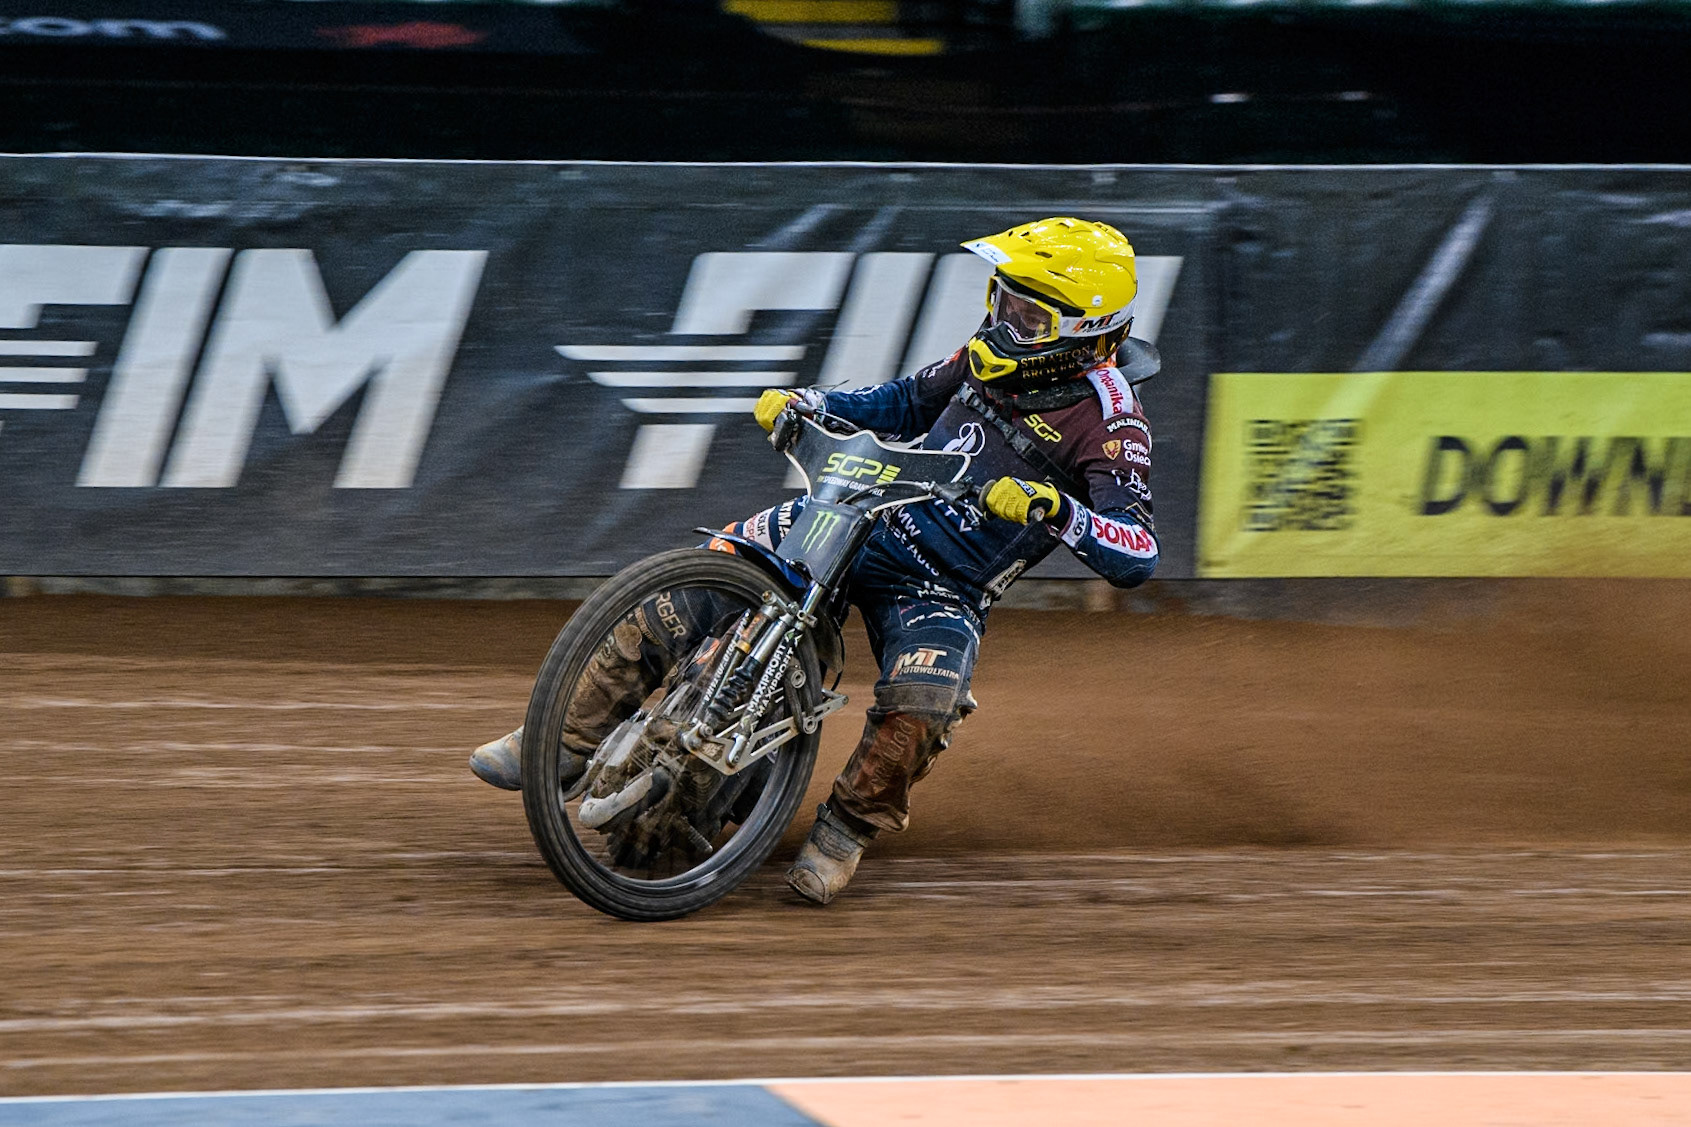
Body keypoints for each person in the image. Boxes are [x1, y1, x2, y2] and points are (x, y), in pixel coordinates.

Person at [469, 216, 1160, 905]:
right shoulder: (985, 350)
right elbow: (902, 401)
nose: (1003, 322)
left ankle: (843, 832)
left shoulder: (1112, 421)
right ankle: (558, 742)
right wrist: (811, 402)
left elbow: (1137, 549)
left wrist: (1053, 506)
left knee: (924, 702)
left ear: (1081, 330)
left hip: (941, 584)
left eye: (1026, 315)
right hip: (862, 515)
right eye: (1001, 298)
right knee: (687, 588)